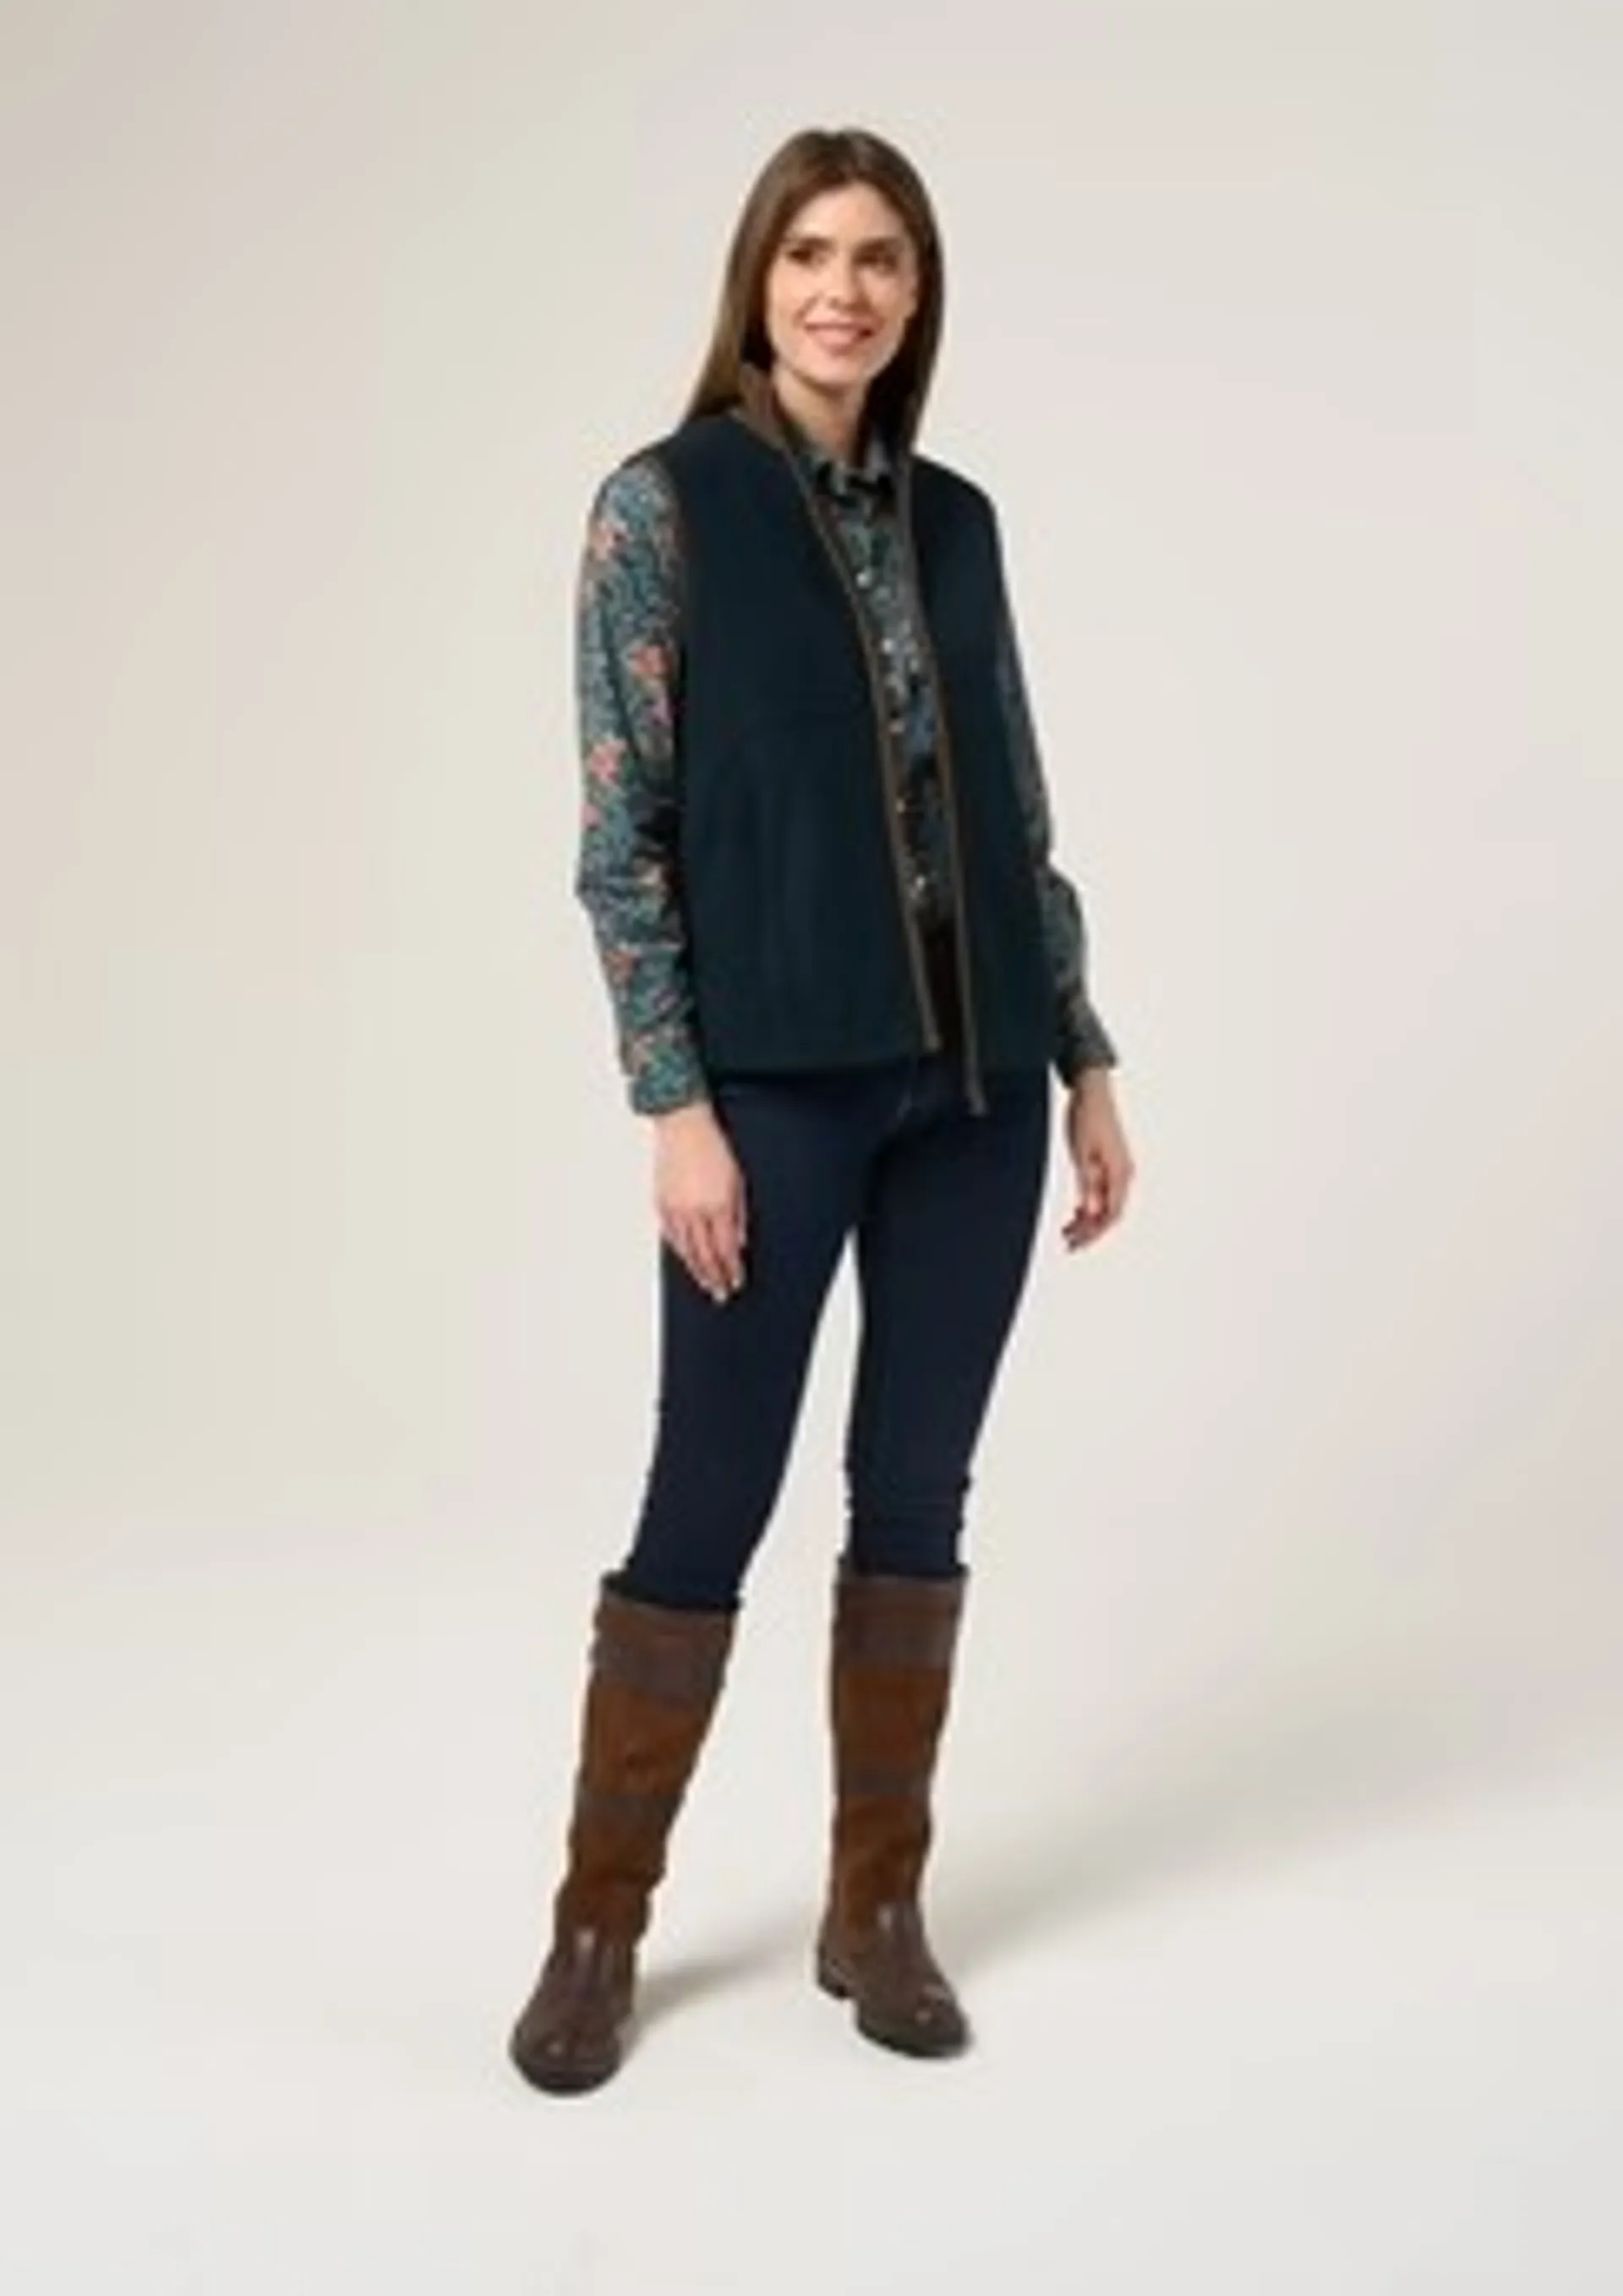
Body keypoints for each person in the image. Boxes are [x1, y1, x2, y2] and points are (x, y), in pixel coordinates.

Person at [509, 125, 1135, 2096]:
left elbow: (1011, 801)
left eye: (877, 258)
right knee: (708, 1494)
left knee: (917, 1493)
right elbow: (622, 838)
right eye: (809, 255)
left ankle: (878, 1906)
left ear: (916, 292)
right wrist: (674, 1106)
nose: (842, 291)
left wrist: (1085, 1049)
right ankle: (598, 1924)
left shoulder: (958, 521)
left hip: (976, 1083)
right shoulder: (662, 510)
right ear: (757, 282)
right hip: (771, 1088)